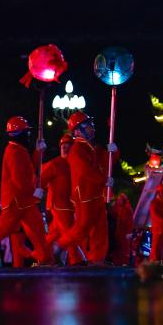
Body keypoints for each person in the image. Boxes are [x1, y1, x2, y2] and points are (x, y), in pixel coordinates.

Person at [0, 116, 54, 267]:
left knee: (38, 230)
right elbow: (20, 181)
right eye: (26, 132)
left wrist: (38, 152)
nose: (29, 135)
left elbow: (30, 169)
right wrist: (35, 191)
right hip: (16, 202)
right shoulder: (14, 152)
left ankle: (46, 259)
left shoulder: (19, 150)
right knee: (1, 230)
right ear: (19, 134)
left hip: (24, 201)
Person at [57, 112, 117, 265]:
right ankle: (59, 245)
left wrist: (112, 151)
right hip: (84, 195)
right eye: (87, 125)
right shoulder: (77, 149)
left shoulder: (89, 148)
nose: (92, 128)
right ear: (77, 131)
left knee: (100, 229)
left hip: (95, 194)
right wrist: (104, 180)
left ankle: (97, 258)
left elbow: (104, 164)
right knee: (82, 227)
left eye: (91, 125)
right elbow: (85, 171)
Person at [41, 134, 82, 264]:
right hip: (59, 205)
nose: (65, 149)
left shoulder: (74, 163)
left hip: (69, 205)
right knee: (69, 232)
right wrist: (39, 190)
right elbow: (42, 178)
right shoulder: (55, 163)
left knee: (54, 234)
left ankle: (40, 255)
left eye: (68, 147)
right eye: (63, 147)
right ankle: (76, 259)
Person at [112, 192, 136, 266]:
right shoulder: (116, 208)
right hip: (118, 231)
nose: (119, 201)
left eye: (121, 199)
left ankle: (124, 262)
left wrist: (129, 232)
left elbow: (130, 221)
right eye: (118, 199)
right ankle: (117, 262)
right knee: (118, 247)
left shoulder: (127, 209)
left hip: (124, 232)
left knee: (124, 247)